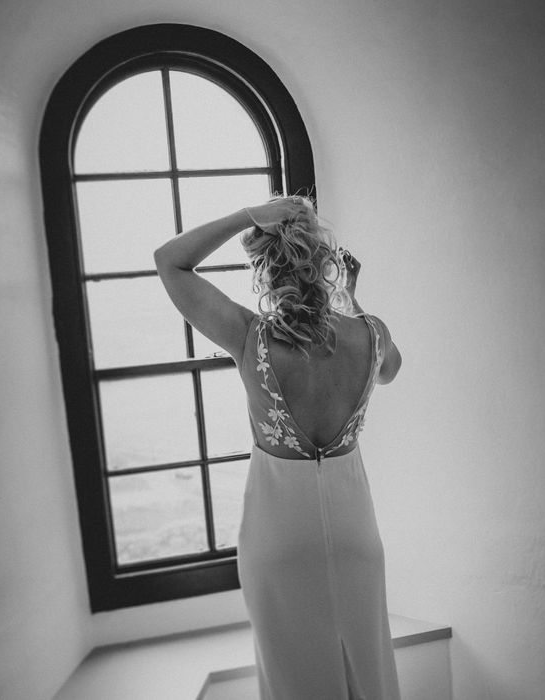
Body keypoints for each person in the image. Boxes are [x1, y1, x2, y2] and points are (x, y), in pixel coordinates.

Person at [154, 195, 402, 700]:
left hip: (279, 540)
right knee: (368, 679)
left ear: (265, 270)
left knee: (295, 683)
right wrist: (351, 299)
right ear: (328, 264)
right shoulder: (371, 333)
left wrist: (247, 215)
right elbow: (391, 369)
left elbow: (169, 260)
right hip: (356, 538)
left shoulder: (250, 338)